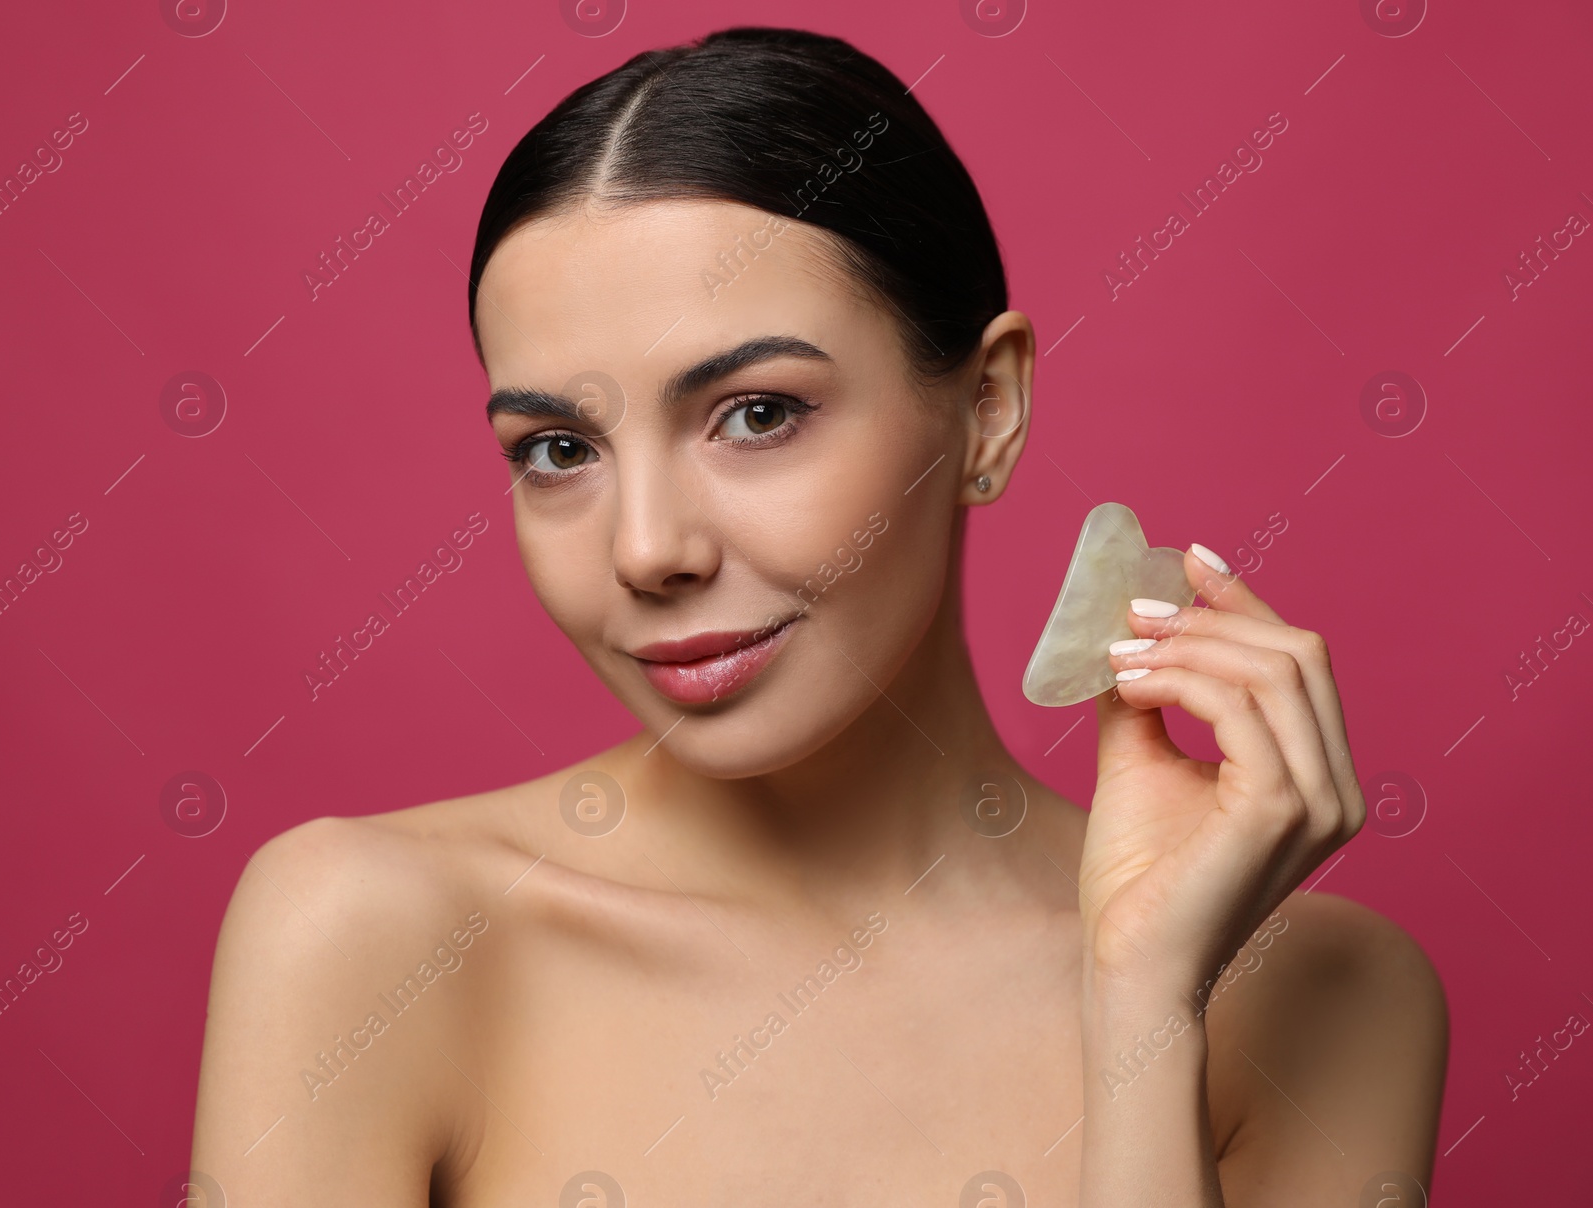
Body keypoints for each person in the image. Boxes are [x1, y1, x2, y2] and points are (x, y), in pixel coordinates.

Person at [190, 25, 1447, 1206]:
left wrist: (1143, 1002)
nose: (646, 551)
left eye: (756, 413)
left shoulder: (1323, 994)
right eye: (559, 447)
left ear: (988, 409)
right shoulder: (368, 935)